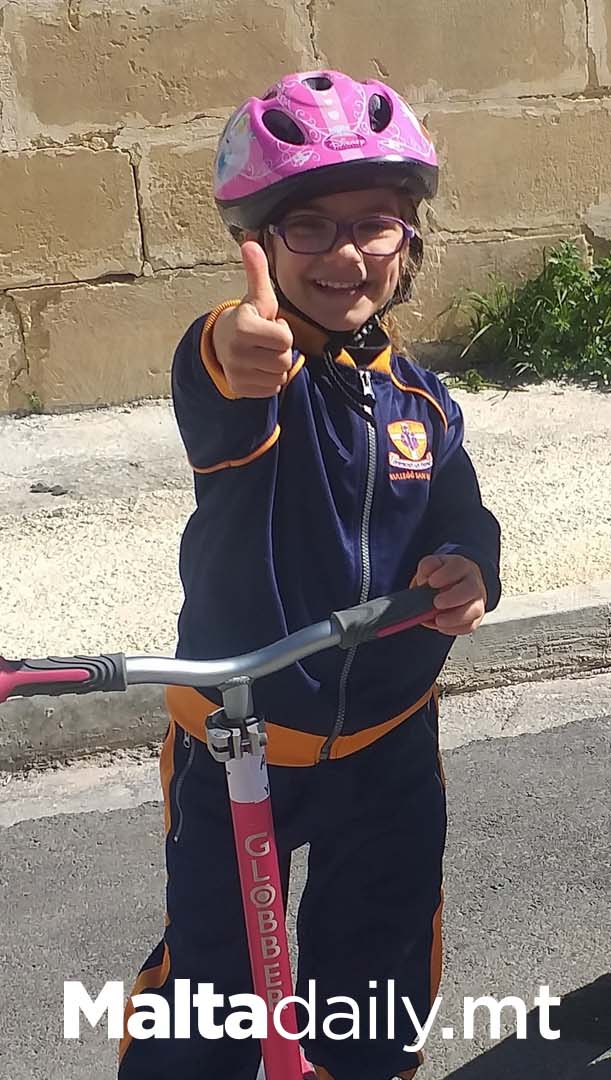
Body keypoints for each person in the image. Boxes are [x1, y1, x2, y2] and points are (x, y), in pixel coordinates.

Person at [124, 69, 503, 1080]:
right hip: (240, 739)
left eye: (374, 222)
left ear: (409, 237)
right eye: (309, 226)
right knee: (214, 988)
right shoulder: (256, 375)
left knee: (379, 967)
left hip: (389, 738)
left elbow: (464, 513)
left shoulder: (424, 401)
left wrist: (473, 565)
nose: (345, 253)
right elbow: (217, 370)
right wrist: (231, 347)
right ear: (259, 241)